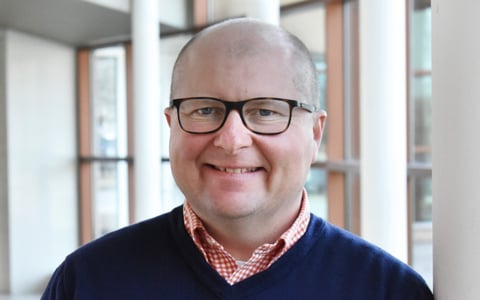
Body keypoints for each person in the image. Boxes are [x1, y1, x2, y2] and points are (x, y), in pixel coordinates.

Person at [42, 18, 433, 299]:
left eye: (265, 111)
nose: (231, 140)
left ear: (315, 133)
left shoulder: (389, 290)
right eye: (205, 110)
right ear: (171, 125)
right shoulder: (87, 281)